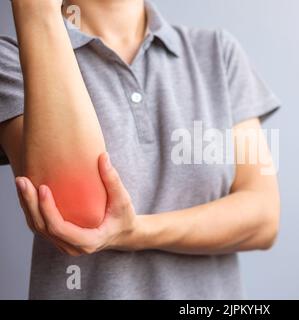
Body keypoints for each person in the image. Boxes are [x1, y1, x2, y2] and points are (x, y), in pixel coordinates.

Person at [0, 0, 281, 299]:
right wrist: (35, 11)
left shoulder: (217, 53)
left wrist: (136, 232)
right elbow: (76, 216)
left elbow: (263, 217)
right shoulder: (14, 60)